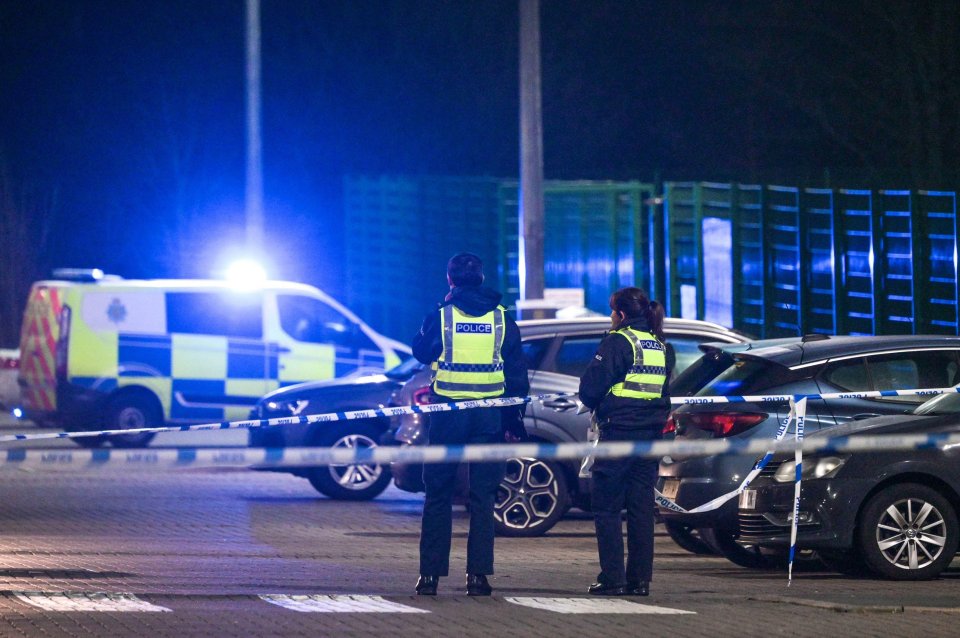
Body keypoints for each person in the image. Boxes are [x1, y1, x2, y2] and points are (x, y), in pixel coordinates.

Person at [411, 252, 529, 596]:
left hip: (449, 415)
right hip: (489, 416)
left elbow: (421, 351)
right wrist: (513, 421)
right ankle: (478, 577)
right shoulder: (504, 320)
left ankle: (430, 576)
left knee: (437, 494)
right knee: (483, 497)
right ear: (481, 279)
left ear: (450, 280)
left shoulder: (442, 316)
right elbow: (517, 378)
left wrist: (439, 311)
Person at [578, 286, 674, 597]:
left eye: (611, 311)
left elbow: (590, 389)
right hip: (649, 438)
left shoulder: (619, 341)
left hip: (618, 434)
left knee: (606, 508)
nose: (609, 317)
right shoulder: (661, 346)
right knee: (641, 509)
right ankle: (639, 581)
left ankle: (613, 579)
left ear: (620, 314)